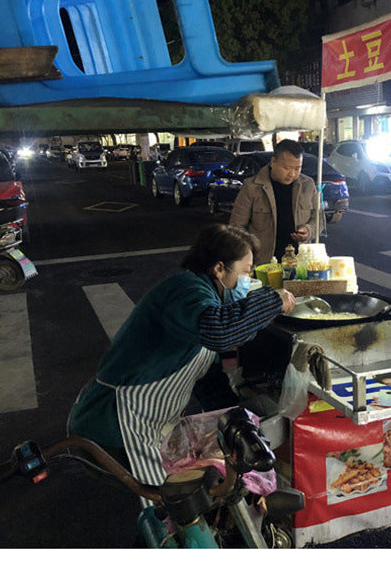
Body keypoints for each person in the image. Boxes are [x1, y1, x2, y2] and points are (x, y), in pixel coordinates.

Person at [67, 224, 296, 492]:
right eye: (245, 272)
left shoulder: (209, 300)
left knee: (184, 496)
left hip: (146, 425)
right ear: (219, 268)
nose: (247, 281)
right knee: (173, 499)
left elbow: (208, 380)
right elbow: (220, 330)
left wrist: (234, 418)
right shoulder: (186, 291)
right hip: (112, 425)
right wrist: (272, 301)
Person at [229, 139, 321, 266]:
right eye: (287, 168)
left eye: (297, 168)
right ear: (273, 162)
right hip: (263, 263)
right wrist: (249, 254)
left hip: (301, 263)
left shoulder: (308, 185)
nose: (292, 174)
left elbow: (319, 218)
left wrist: (308, 230)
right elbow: (236, 226)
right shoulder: (252, 187)